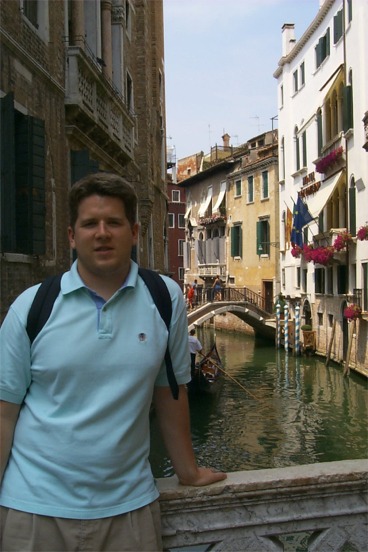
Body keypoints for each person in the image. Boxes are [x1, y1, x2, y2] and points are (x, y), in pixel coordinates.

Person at [0, 172, 226, 552]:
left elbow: (170, 392)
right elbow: (5, 411)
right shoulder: (32, 306)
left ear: (134, 232)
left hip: (130, 511)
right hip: (33, 511)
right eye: (90, 224)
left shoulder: (164, 297)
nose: (102, 233)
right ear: (72, 236)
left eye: (114, 223)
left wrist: (188, 471)